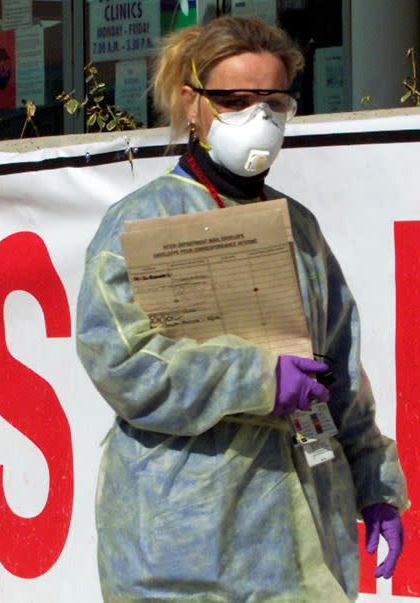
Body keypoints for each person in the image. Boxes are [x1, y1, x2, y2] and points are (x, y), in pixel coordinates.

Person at [76, 16, 408, 603]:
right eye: (234, 101)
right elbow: (120, 361)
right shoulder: (140, 225)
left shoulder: (298, 228)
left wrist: (373, 483)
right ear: (193, 104)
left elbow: (342, 370)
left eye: (273, 102)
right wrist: (256, 379)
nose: (259, 118)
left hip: (302, 542)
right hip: (182, 546)